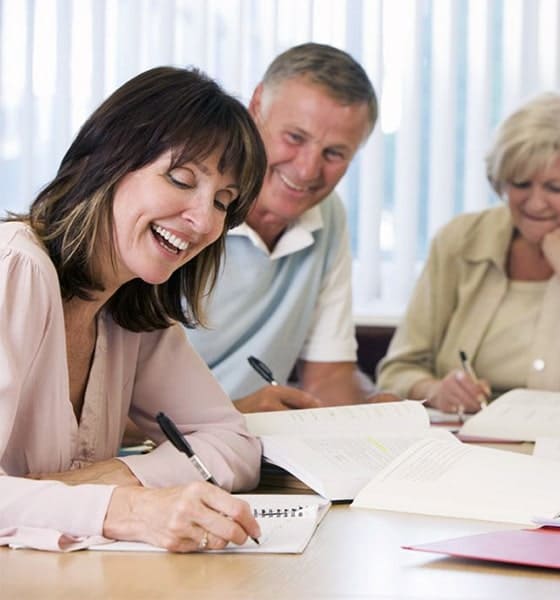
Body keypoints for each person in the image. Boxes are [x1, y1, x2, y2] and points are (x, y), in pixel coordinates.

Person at [0, 66, 267, 552]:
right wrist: (125, 507)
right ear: (106, 162)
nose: (205, 220)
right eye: (181, 179)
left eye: (224, 202)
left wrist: (117, 474)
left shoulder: (132, 306)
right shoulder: (14, 268)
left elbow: (233, 443)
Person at [186, 42, 398, 412]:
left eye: (334, 154)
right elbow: (107, 401)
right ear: (256, 107)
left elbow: (328, 376)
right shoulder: (188, 204)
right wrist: (235, 414)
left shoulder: (329, 217)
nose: (306, 171)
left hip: (250, 446)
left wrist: (374, 413)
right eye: (295, 138)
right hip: (154, 448)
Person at [377, 92, 560, 415]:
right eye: (521, 184)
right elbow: (397, 371)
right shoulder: (460, 241)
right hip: (465, 444)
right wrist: (437, 390)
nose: (536, 203)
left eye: (556, 188)